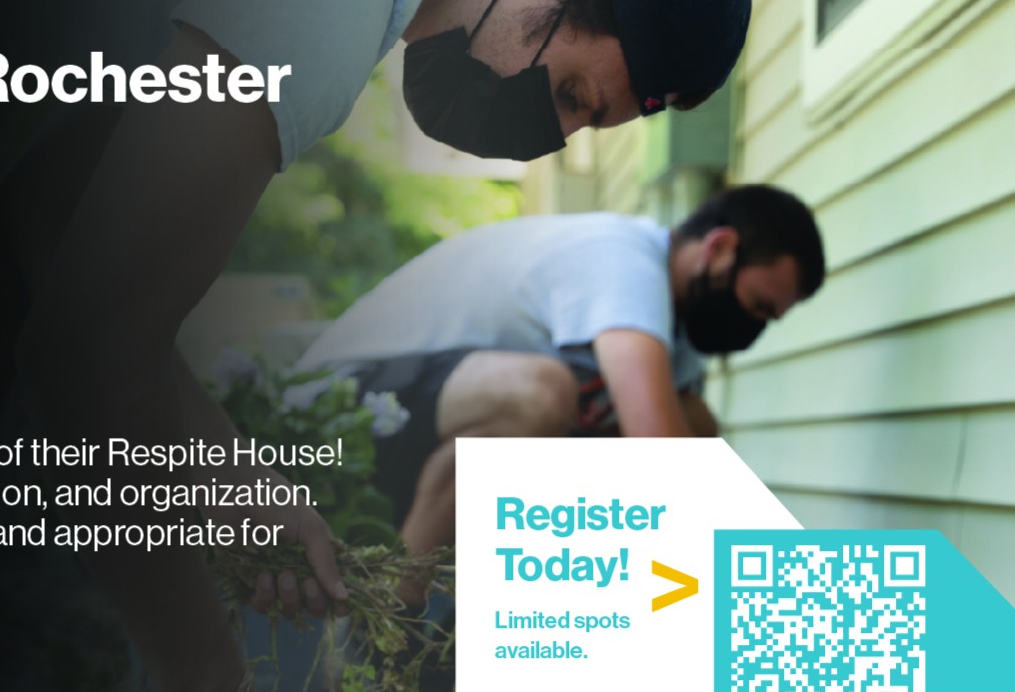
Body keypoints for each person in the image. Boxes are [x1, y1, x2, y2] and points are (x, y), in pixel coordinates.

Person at [0, 0, 758, 692]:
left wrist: (229, 474)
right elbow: (86, 344)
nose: (555, 129)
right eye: (577, 94)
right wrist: (203, 686)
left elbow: (44, 236)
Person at [296, 185, 828, 604]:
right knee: (541, 394)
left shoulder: (678, 336)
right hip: (341, 415)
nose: (751, 329)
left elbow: (684, 450)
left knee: (694, 421)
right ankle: (389, 629)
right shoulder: (621, 259)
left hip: (430, 429)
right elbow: (660, 451)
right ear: (720, 248)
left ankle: (495, 628)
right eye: (757, 305)